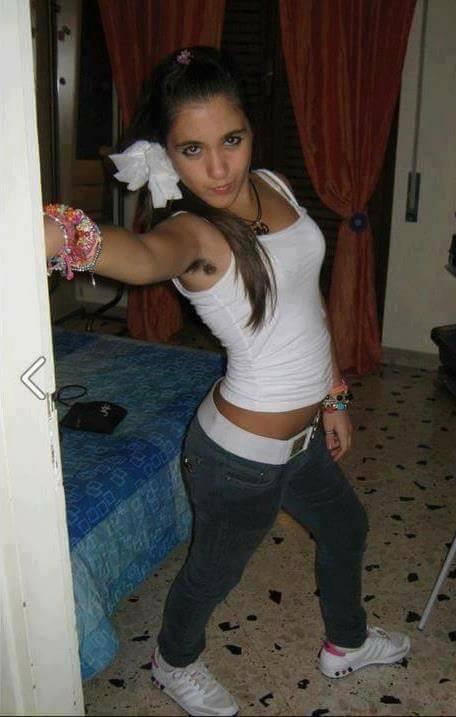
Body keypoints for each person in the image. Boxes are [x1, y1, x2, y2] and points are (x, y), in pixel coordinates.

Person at [44, 46, 410, 717]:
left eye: (231, 140)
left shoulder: (275, 185)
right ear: (167, 154)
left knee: (346, 527)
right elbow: (144, 256)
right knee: (214, 571)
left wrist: (333, 393)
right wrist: (61, 234)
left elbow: (306, 302)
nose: (218, 168)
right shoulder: (192, 232)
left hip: (300, 438)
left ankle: (347, 642)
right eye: (192, 149)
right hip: (238, 458)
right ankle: (173, 660)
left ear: (250, 132)